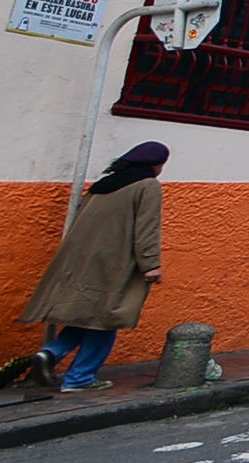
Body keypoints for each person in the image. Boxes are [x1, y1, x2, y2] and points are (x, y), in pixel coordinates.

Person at [20, 141, 167, 392]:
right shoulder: (147, 186)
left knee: (87, 317)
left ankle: (51, 352)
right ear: (156, 164)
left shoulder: (103, 185)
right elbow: (146, 228)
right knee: (107, 320)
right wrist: (151, 264)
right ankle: (80, 378)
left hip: (82, 260)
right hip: (116, 263)